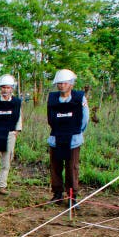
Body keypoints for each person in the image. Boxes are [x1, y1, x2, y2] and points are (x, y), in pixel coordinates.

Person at [46, 69, 89, 207]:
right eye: (59, 83)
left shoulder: (79, 98)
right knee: (55, 167)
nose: (62, 86)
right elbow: (50, 118)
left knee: (72, 168)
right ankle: (57, 194)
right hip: (56, 137)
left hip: (73, 139)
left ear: (71, 84)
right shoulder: (52, 98)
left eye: (65, 83)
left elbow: (85, 118)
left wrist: (76, 131)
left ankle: (72, 197)